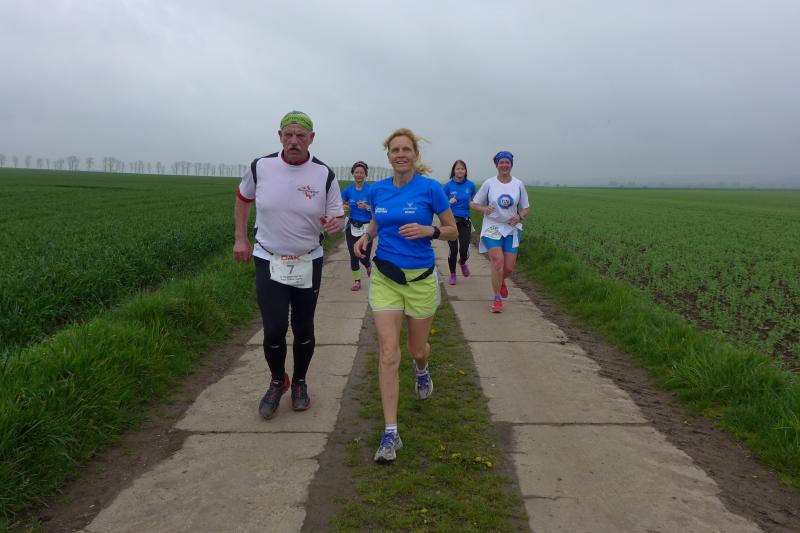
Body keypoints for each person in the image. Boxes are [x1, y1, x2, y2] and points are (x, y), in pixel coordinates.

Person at [353, 128, 457, 463]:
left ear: (415, 154)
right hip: (386, 277)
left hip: (421, 279)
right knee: (388, 352)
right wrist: (366, 237)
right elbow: (376, 222)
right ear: (388, 156)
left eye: (406, 149)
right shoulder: (378, 190)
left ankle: (422, 368)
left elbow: (453, 230)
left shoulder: (431, 188)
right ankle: (391, 432)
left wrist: (431, 230)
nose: (400, 154)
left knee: (416, 349)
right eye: (395, 150)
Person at [233, 110, 344, 419]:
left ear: (311, 138)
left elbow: (337, 216)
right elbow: (242, 199)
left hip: (308, 259)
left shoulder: (324, 174)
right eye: (288, 135)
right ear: (279, 136)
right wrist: (240, 238)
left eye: (301, 136)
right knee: (274, 329)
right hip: (269, 258)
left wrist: (335, 223)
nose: (294, 141)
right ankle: (276, 380)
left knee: (303, 327)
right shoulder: (260, 166)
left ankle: (299, 382)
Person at [470, 151, 530, 314]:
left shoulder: (518, 184)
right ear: (496, 165)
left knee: (508, 268)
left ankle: (501, 280)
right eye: (501, 162)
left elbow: (526, 207)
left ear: (511, 165)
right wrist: (484, 209)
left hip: (511, 229)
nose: (504, 165)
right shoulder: (489, 183)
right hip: (492, 227)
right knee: (497, 262)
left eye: (507, 162)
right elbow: (474, 203)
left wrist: (519, 216)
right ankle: (497, 298)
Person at [442, 160, 476, 285]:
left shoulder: (471, 185)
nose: (460, 171)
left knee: (464, 250)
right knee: (453, 250)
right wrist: (449, 202)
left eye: (462, 168)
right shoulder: (448, 186)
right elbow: (440, 203)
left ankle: (462, 262)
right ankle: (452, 274)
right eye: (458, 169)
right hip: (450, 222)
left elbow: (474, 201)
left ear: (465, 171)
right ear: (454, 171)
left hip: (465, 221)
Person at [341, 161, 373, 291]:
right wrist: (343, 206)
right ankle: (357, 281)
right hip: (352, 225)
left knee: (364, 255)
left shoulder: (371, 190)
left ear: (365, 175)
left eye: (361, 172)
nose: (359, 174)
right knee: (353, 254)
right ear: (353, 174)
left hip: (367, 227)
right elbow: (340, 203)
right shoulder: (348, 190)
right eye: (356, 172)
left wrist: (367, 207)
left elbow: (379, 208)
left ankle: (368, 264)